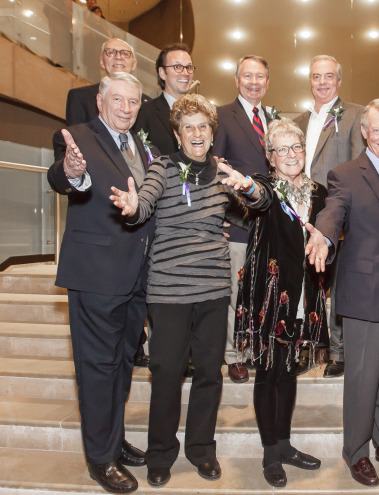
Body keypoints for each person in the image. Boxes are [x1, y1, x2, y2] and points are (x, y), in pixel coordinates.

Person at [109, 94, 246, 488]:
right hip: (168, 290)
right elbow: (145, 203)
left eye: (203, 126)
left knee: (209, 372)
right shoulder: (163, 168)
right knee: (166, 372)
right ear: (177, 133)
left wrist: (251, 189)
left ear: (212, 132)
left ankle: (202, 448)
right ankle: (161, 453)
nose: (197, 133)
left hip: (213, 288)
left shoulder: (222, 173)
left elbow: (251, 207)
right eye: (189, 127)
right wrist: (134, 206)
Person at [305, 98, 379, 487]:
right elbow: (334, 209)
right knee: (362, 376)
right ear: (364, 131)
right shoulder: (345, 174)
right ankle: (356, 451)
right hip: (367, 286)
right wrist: (323, 234)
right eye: (378, 130)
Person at [48, 72, 154, 494]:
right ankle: (100, 459)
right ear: (100, 100)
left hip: (137, 276)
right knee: (97, 368)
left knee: (123, 364)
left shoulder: (142, 145)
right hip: (95, 274)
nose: (126, 108)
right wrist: (72, 171)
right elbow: (63, 179)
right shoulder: (78, 138)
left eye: (133, 102)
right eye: (119, 100)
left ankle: (113, 439)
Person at [220, 118, 328, 488]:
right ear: (269, 157)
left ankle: (285, 443)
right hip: (270, 292)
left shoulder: (320, 192)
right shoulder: (266, 185)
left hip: (306, 294)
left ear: (304, 151)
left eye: (295, 147)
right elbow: (257, 198)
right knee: (268, 370)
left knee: (290, 369)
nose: (290, 154)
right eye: (280, 149)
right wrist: (247, 185)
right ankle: (270, 451)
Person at [294, 55, 364, 378]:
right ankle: (305, 343)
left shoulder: (353, 115)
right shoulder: (298, 120)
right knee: (304, 281)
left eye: (328, 76)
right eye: (315, 76)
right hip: (300, 213)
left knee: (337, 283)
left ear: (339, 81)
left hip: (338, 215)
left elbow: (358, 167)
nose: (322, 82)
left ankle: (339, 351)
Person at [212, 55, 273, 383]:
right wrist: (218, 214)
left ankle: (255, 348)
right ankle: (232, 355)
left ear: (267, 82)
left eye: (260, 77)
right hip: (238, 223)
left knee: (260, 291)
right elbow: (215, 168)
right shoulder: (222, 116)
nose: (254, 82)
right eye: (247, 76)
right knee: (235, 291)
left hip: (268, 224)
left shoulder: (272, 117)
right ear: (237, 80)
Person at [66, 38, 149, 126]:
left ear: (134, 64)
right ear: (102, 61)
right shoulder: (80, 96)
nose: (118, 57)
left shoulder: (148, 105)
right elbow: (77, 136)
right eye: (111, 52)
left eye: (125, 53)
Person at [134, 43, 195, 156]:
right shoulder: (145, 112)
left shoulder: (200, 113)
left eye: (188, 67)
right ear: (162, 73)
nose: (185, 73)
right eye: (177, 67)